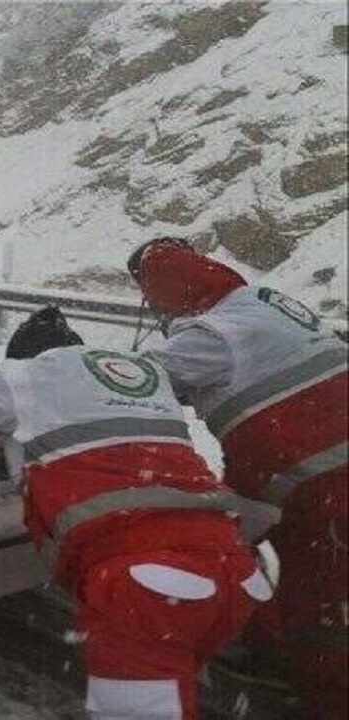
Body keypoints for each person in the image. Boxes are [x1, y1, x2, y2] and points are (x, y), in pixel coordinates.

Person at [0, 306, 278, 720]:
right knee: (176, 690)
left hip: (146, 577)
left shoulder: (31, 373)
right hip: (231, 563)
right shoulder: (142, 373)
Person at [129, 238, 347, 719]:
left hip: (319, 483)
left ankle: (322, 692)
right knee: (234, 538)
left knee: (319, 603)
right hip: (297, 478)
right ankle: (272, 646)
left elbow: (129, 383)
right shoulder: (264, 303)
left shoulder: (211, 336)